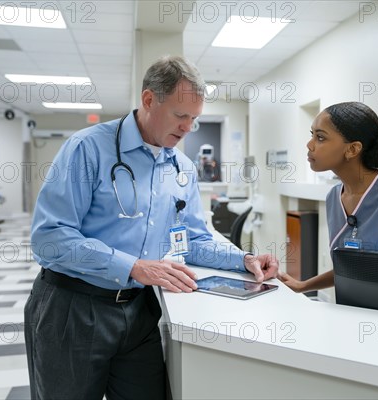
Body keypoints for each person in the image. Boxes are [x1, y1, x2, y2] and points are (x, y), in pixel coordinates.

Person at [24, 55, 279, 400]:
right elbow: (49, 238)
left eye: (195, 118)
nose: (189, 127)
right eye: (180, 115)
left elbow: (193, 239)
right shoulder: (88, 148)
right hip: (73, 308)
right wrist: (132, 266)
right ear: (148, 100)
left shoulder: (182, 167)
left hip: (139, 312)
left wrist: (242, 259)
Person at [278, 101, 378, 293]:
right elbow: (350, 268)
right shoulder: (334, 196)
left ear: (352, 149)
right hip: (350, 309)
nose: (309, 145)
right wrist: (303, 286)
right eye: (312, 135)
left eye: (320, 137)